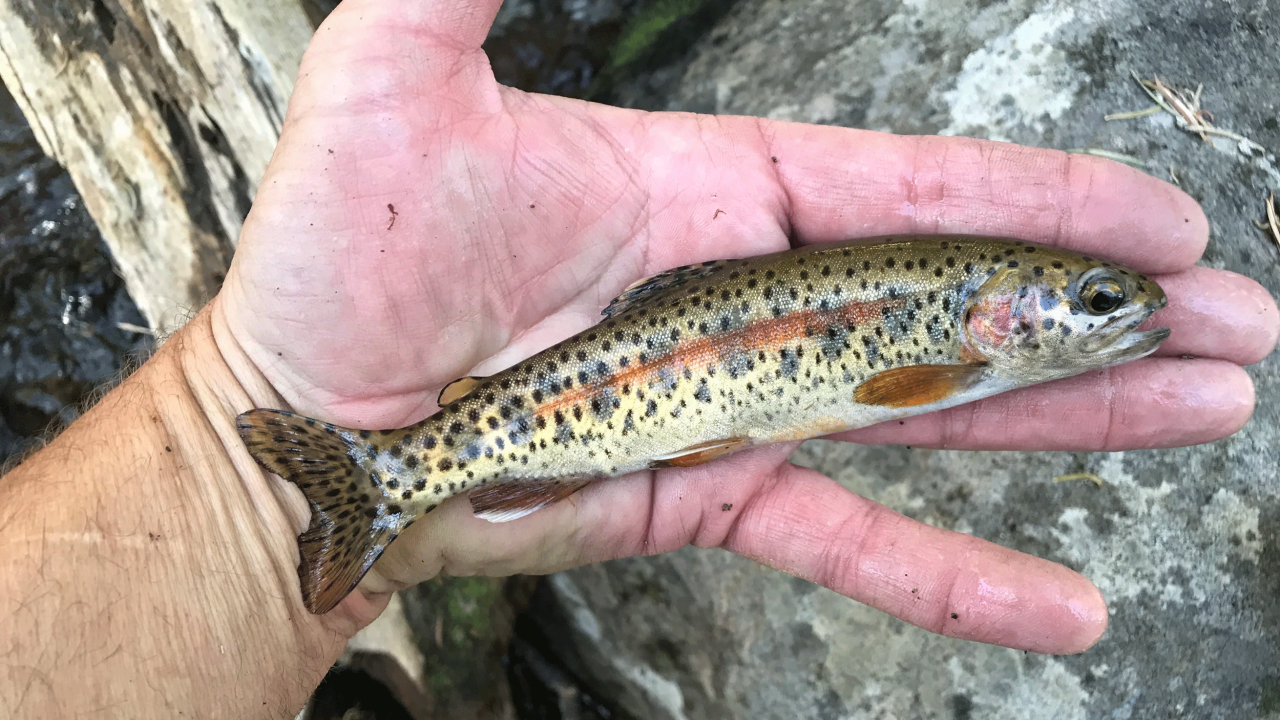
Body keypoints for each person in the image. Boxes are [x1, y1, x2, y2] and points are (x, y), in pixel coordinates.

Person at [2, 0, 1277, 716]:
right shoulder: (932, 355)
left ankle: (378, 476)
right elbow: (890, 386)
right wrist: (233, 479)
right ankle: (378, 474)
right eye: (1090, 300)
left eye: (1098, 302)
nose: (1114, 314)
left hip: (653, 392)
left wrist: (225, 494)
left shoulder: (952, 337)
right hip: (625, 395)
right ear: (1006, 309)